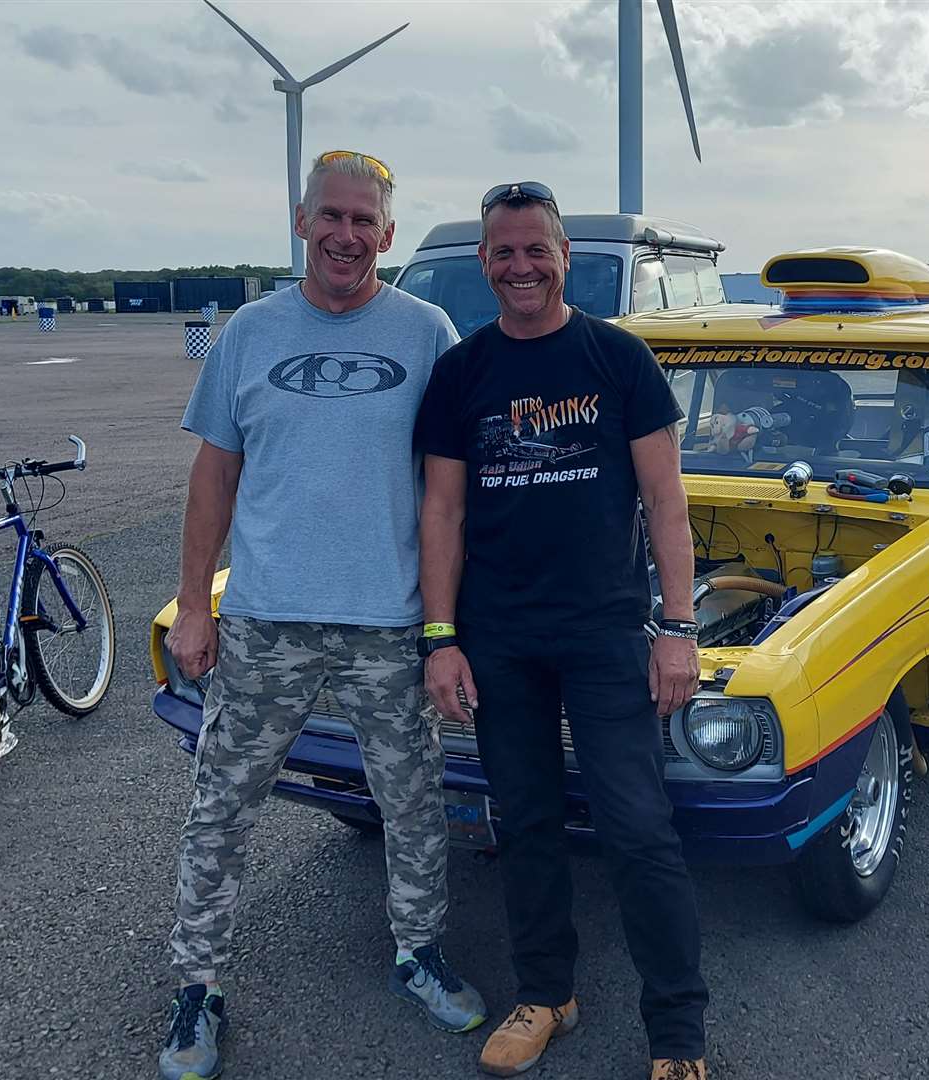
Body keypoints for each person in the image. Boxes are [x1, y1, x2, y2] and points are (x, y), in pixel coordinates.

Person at [159, 150, 482, 1080]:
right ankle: (197, 987)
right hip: (266, 622)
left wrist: (448, 627)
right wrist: (193, 605)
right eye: (330, 216)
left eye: (364, 221)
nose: (346, 235)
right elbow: (213, 478)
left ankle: (418, 951)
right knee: (221, 808)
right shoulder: (250, 334)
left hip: (389, 622)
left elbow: (453, 489)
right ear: (302, 223)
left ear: (388, 234)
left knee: (414, 801)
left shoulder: (429, 334)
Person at [414, 182, 709, 1080]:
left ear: (565, 255)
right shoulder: (463, 373)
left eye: (536, 248)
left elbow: (665, 500)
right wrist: (440, 637)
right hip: (498, 639)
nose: (521, 266)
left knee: (638, 828)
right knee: (527, 823)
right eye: (503, 252)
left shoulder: (618, 360)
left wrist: (678, 626)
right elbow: (444, 512)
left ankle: (677, 1031)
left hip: (605, 634)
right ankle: (546, 993)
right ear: (485, 264)